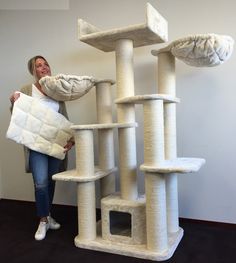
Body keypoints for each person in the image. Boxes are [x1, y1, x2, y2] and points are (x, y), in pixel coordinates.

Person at [9, 55, 74, 241]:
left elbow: (64, 118)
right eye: (39, 65)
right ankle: (43, 220)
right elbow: (17, 115)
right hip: (36, 145)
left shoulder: (57, 91)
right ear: (33, 71)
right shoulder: (26, 90)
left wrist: (71, 139)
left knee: (50, 181)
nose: (44, 67)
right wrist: (13, 102)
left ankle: (48, 215)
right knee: (40, 183)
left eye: (46, 64)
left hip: (55, 144)